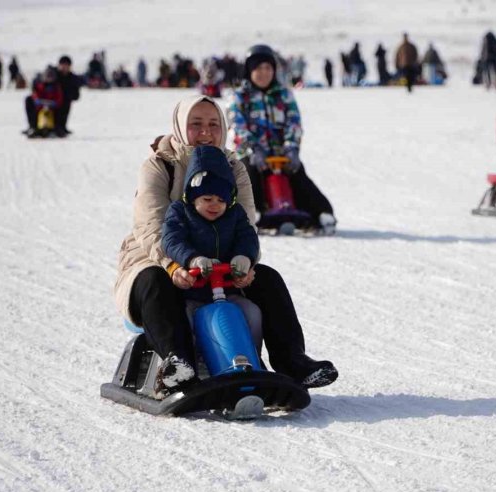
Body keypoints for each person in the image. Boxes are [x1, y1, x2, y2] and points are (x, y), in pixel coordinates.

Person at [114, 95, 338, 396]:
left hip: (217, 267)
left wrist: (246, 263)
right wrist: (173, 265)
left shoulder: (233, 167)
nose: (206, 132)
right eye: (196, 124)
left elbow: (245, 226)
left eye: (213, 124)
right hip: (156, 258)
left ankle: (293, 360)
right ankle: (177, 364)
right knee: (156, 282)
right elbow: (150, 226)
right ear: (181, 127)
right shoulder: (160, 166)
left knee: (268, 279)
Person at [158, 145, 262, 397]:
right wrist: (192, 259)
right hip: (192, 292)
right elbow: (170, 240)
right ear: (193, 196)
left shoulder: (235, 215)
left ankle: (251, 362)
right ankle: (190, 368)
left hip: (225, 290)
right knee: (184, 321)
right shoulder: (179, 212)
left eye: (221, 200)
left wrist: (243, 258)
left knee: (251, 312)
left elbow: (248, 238)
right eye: (207, 199)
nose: (214, 205)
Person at [228, 44, 337, 234]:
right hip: (252, 154)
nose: (264, 73)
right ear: (249, 71)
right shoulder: (240, 97)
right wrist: (252, 148)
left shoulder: (284, 95)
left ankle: (320, 213)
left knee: (298, 175)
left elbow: (293, 123)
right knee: (248, 175)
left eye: (268, 68)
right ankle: (252, 215)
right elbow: (236, 126)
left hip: (281, 154)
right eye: (258, 69)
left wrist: (291, 148)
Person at [23, 66, 64, 137]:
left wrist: (54, 103)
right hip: (40, 109)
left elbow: (59, 98)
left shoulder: (56, 87)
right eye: (47, 76)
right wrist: (38, 102)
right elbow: (35, 95)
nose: (49, 79)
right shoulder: (39, 86)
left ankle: (57, 128)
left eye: (51, 77)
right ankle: (33, 127)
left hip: (52, 110)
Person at [56, 55, 82, 135]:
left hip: (63, 102)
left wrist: (67, 94)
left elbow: (76, 96)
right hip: (50, 99)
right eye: (62, 65)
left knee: (66, 101)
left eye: (66, 65)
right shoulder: (54, 75)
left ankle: (61, 127)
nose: (64, 67)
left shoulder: (73, 78)